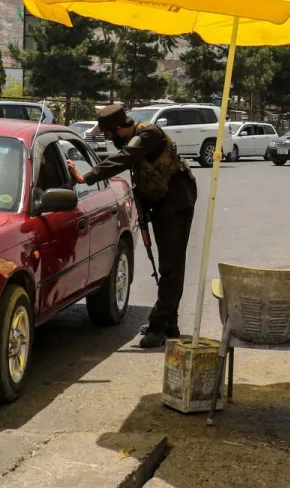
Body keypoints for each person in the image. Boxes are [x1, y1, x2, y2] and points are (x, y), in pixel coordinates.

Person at [69, 103, 197, 348]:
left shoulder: (148, 135)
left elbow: (125, 158)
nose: (108, 139)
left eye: (108, 134)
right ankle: (169, 322)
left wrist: (86, 177)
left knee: (171, 267)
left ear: (118, 128)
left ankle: (160, 326)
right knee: (167, 266)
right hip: (161, 205)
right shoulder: (138, 138)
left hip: (176, 206)